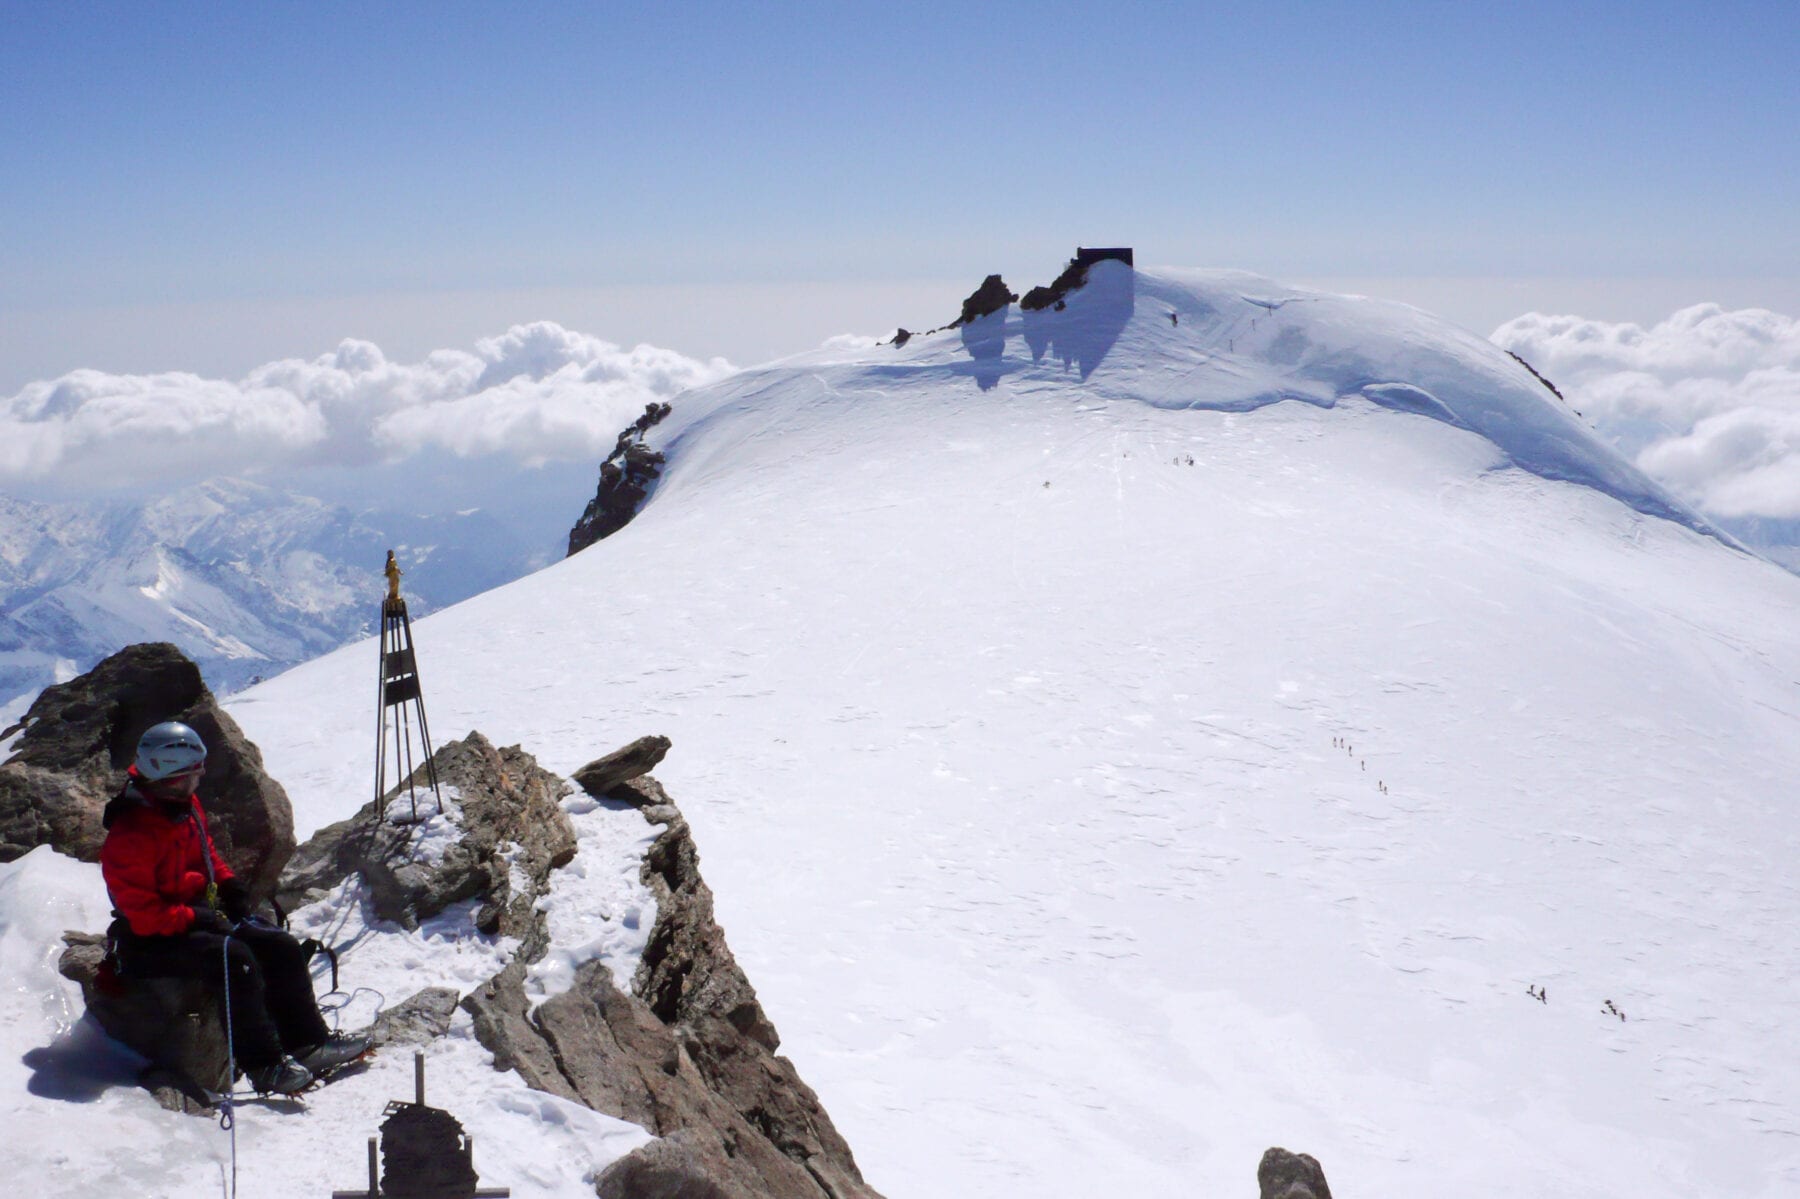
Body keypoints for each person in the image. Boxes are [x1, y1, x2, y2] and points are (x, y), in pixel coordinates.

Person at [99, 721, 369, 1094]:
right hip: (148, 940)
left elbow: (204, 852)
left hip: (186, 915)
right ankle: (264, 1066)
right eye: (192, 773)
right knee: (234, 958)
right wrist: (199, 916)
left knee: (279, 945)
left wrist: (227, 884)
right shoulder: (131, 833)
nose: (200, 778)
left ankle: (308, 1043)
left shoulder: (180, 805)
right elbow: (144, 917)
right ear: (170, 776)